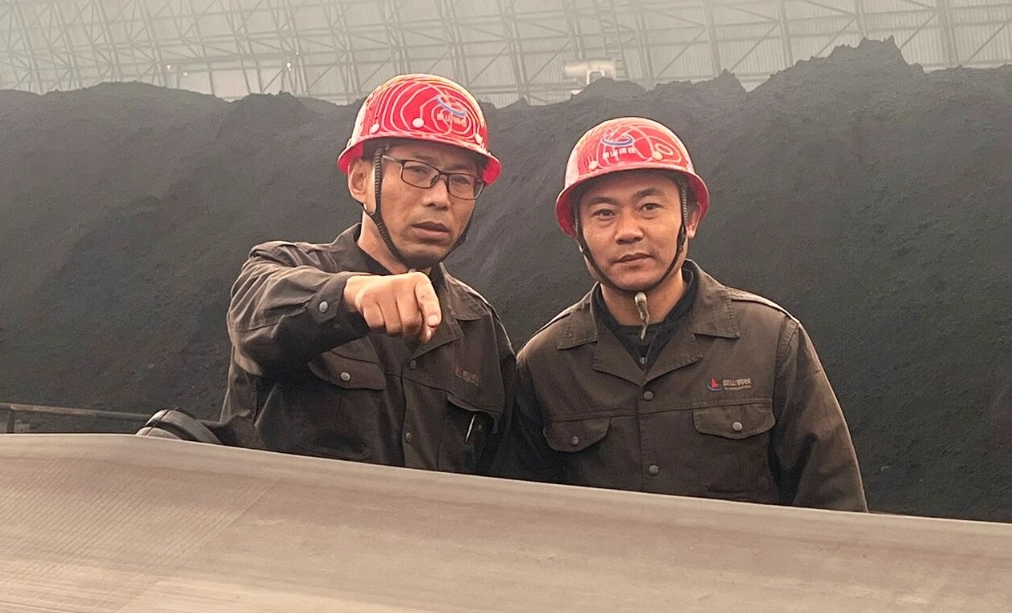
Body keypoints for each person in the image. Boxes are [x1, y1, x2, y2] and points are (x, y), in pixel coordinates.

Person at [507, 116, 867, 510]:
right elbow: (522, 518)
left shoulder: (770, 341)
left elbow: (834, 503)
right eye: (604, 213)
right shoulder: (545, 365)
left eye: (649, 207)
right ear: (577, 232)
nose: (628, 231)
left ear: (690, 218)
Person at [219, 74, 515, 475]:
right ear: (360, 180)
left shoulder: (479, 329)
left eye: (461, 180)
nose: (439, 198)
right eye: (417, 170)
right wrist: (352, 296)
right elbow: (254, 315)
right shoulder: (283, 268)